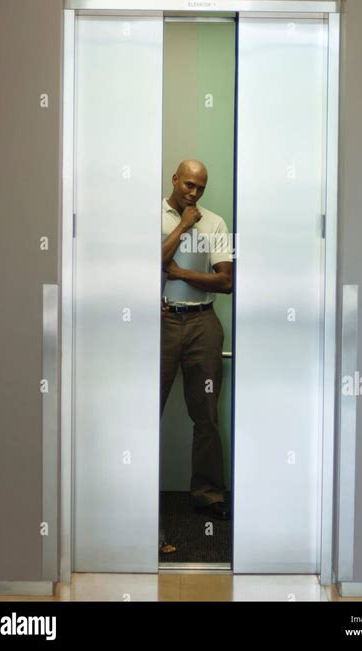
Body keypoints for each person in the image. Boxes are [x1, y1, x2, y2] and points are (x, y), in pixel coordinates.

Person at [159, 160, 234, 554]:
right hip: (161, 320)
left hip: (203, 322)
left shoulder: (217, 223)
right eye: (189, 184)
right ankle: (135, 499)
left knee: (206, 414)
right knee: (143, 412)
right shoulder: (152, 215)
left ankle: (207, 494)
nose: (194, 193)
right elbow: (152, 262)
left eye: (201, 188)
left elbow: (227, 281)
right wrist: (183, 225)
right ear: (175, 179)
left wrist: (182, 273)